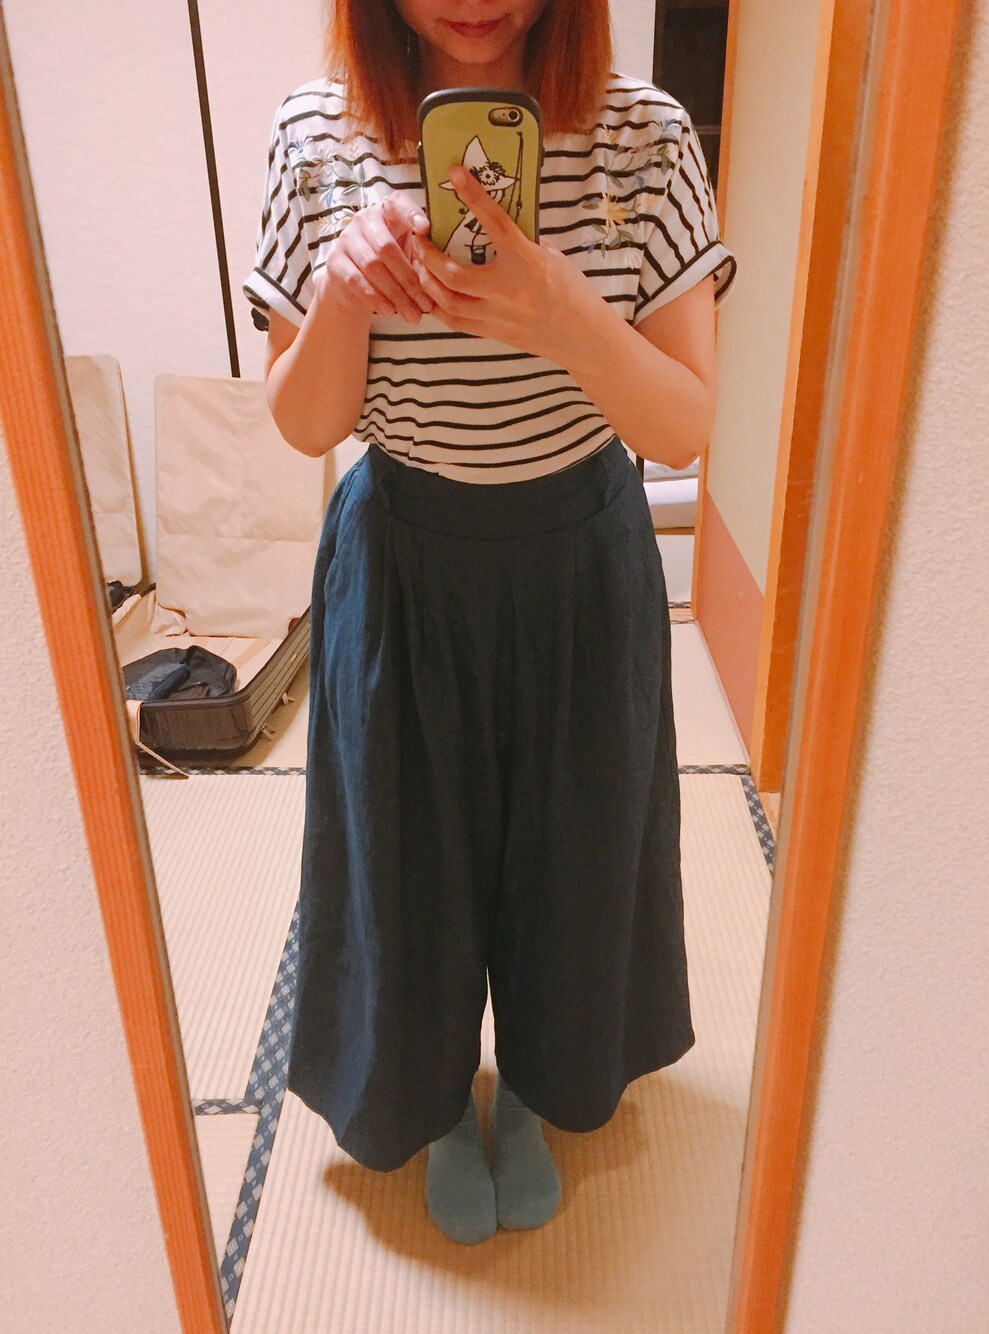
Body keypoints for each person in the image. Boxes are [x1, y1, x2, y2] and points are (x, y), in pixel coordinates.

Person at [242, 0, 737, 1247]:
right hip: (403, 561)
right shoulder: (316, 134)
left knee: (580, 848)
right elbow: (305, 423)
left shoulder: (643, 137)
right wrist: (344, 289)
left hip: (580, 561)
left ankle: (534, 1082)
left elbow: (683, 424)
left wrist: (565, 313)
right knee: (401, 857)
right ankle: (429, 1102)